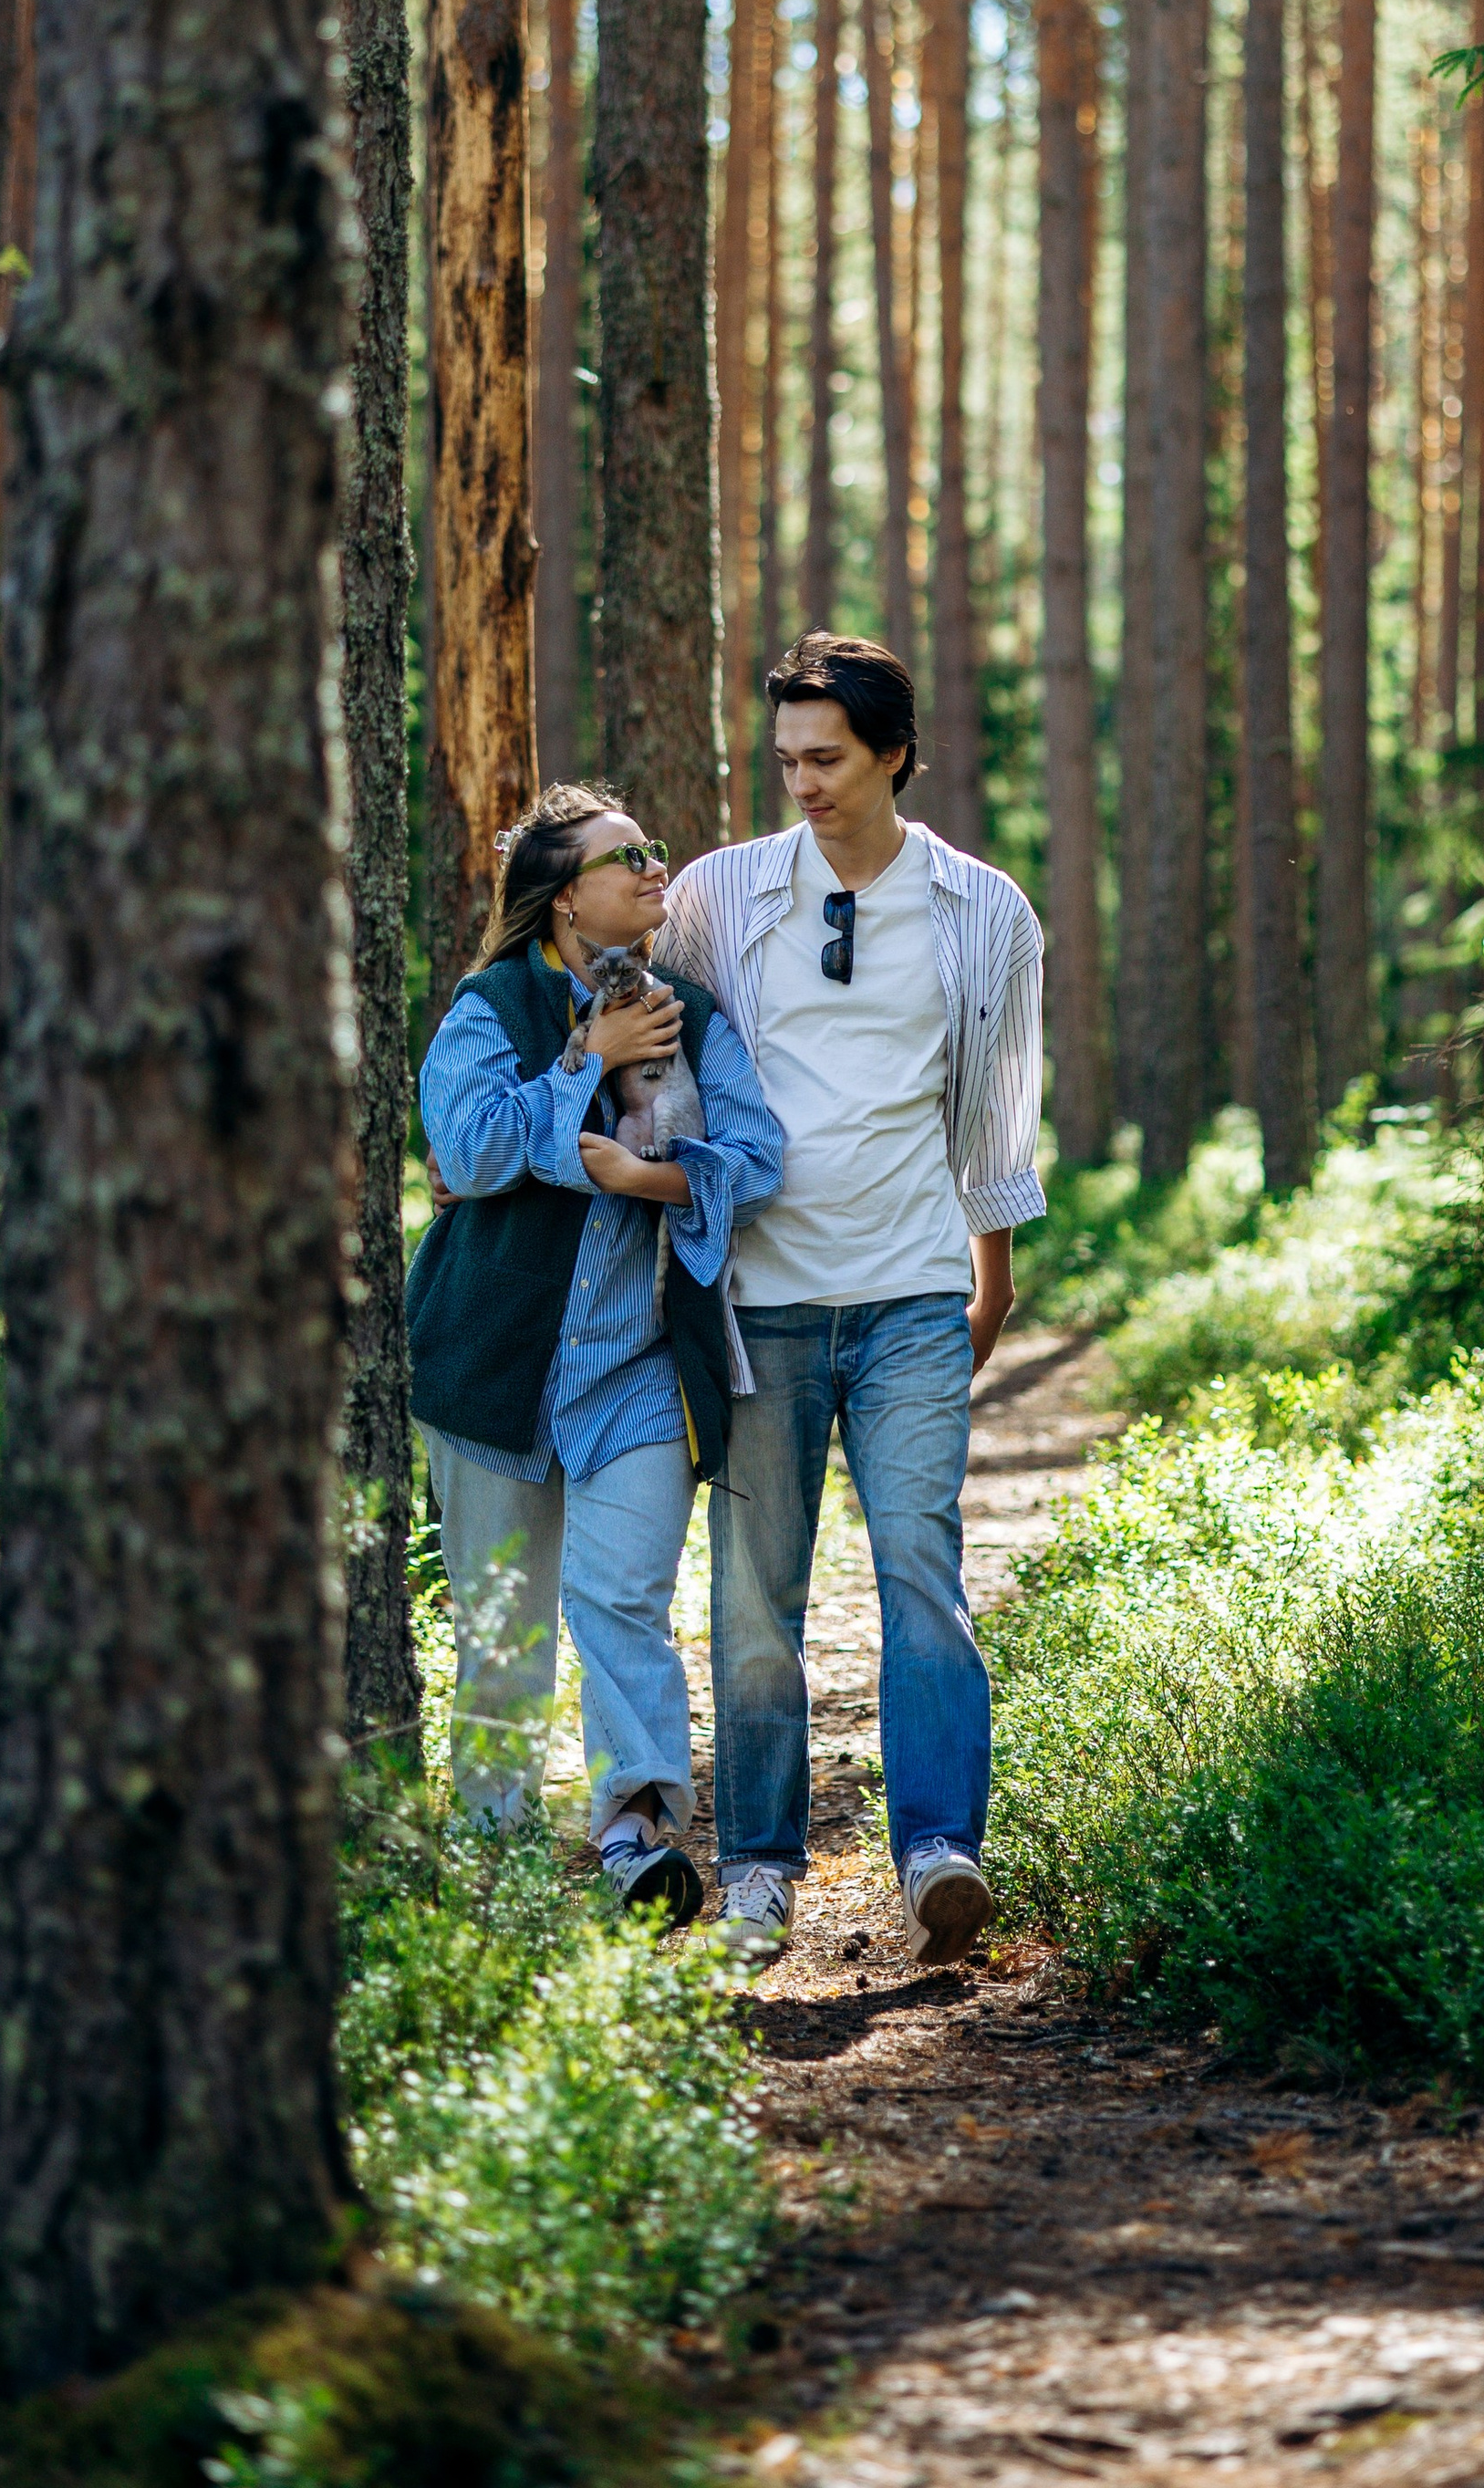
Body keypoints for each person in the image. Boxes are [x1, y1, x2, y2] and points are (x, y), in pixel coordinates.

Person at [657, 631, 1045, 1967]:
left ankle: (941, 1851)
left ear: (892, 753)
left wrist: (988, 1281)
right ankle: (758, 1868)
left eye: (827, 758)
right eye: (786, 761)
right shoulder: (720, 896)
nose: (804, 784)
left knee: (920, 1578)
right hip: (758, 1304)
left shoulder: (984, 909)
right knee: (756, 1603)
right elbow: (657, 1051)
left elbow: (996, 1110)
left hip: (913, 1301)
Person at [406, 783, 783, 1919]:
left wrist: (645, 1176)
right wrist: (586, 1060)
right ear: (566, 898)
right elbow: (466, 1153)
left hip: (638, 1371)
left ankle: (635, 1834)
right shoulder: (489, 1004)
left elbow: (756, 1159)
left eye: (656, 851)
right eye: (631, 857)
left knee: (620, 1600)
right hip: (490, 1371)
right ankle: (494, 1861)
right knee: (503, 1627)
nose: (657, 867)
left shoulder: (697, 1015)